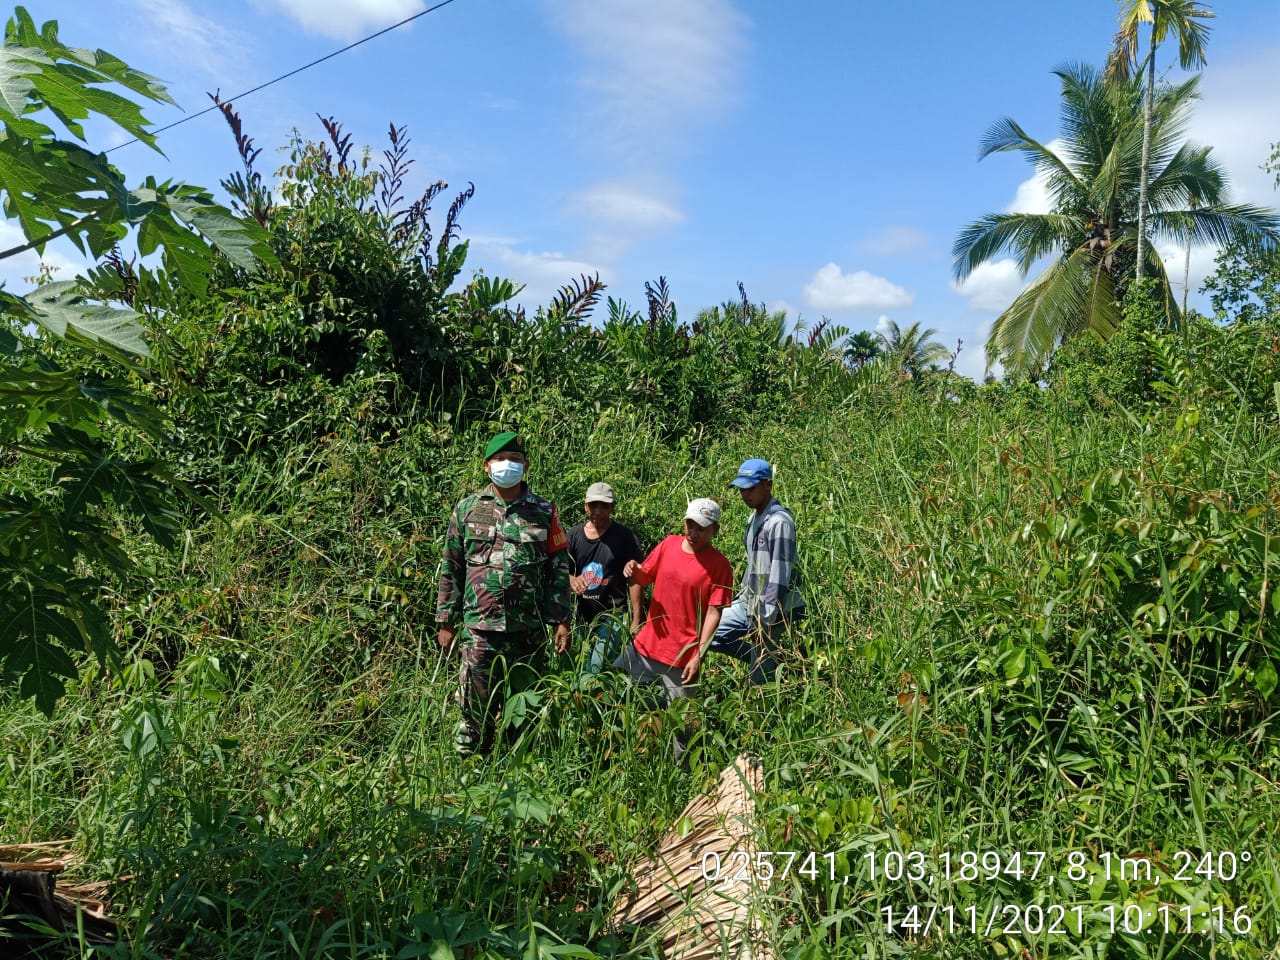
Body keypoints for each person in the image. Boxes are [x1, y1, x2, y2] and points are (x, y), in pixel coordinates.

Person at [435, 431, 572, 757]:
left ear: (525, 466)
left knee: (523, 706)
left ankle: (518, 766)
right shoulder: (467, 509)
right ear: (486, 466)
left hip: (528, 631)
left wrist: (561, 621)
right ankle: (470, 769)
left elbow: (558, 569)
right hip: (479, 631)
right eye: (500, 459)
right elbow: (451, 566)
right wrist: (445, 620)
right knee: (473, 705)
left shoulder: (544, 511)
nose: (506, 465)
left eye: (514, 460)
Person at [614, 499, 734, 704]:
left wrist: (699, 656)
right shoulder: (669, 544)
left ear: (715, 529)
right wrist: (634, 569)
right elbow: (644, 577)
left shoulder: (720, 566)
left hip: (682, 657)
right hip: (645, 646)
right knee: (615, 691)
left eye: (701, 528)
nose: (693, 533)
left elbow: (715, 613)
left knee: (683, 725)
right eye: (690, 525)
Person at [707, 458, 804, 684]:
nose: (745, 494)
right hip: (750, 602)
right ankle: (781, 662)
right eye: (741, 489)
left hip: (772, 610)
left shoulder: (779, 522)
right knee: (707, 632)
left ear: (768, 485)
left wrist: (765, 621)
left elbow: (780, 576)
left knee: (759, 682)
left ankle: (775, 670)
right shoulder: (755, 517)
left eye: (750, 488)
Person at [566, 482, 645, 673]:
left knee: (595, 666)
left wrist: (637, 618)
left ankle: (591, 697)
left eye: (604, 506)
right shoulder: (574, 536)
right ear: (585, 506)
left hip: (612, 615)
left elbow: (636, 576)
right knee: (579, 665)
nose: (598, 511)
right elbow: (560, 571)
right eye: (593, 505)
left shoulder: (624, 536)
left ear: (612, 507)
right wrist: (572, 580)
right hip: (581, 617)